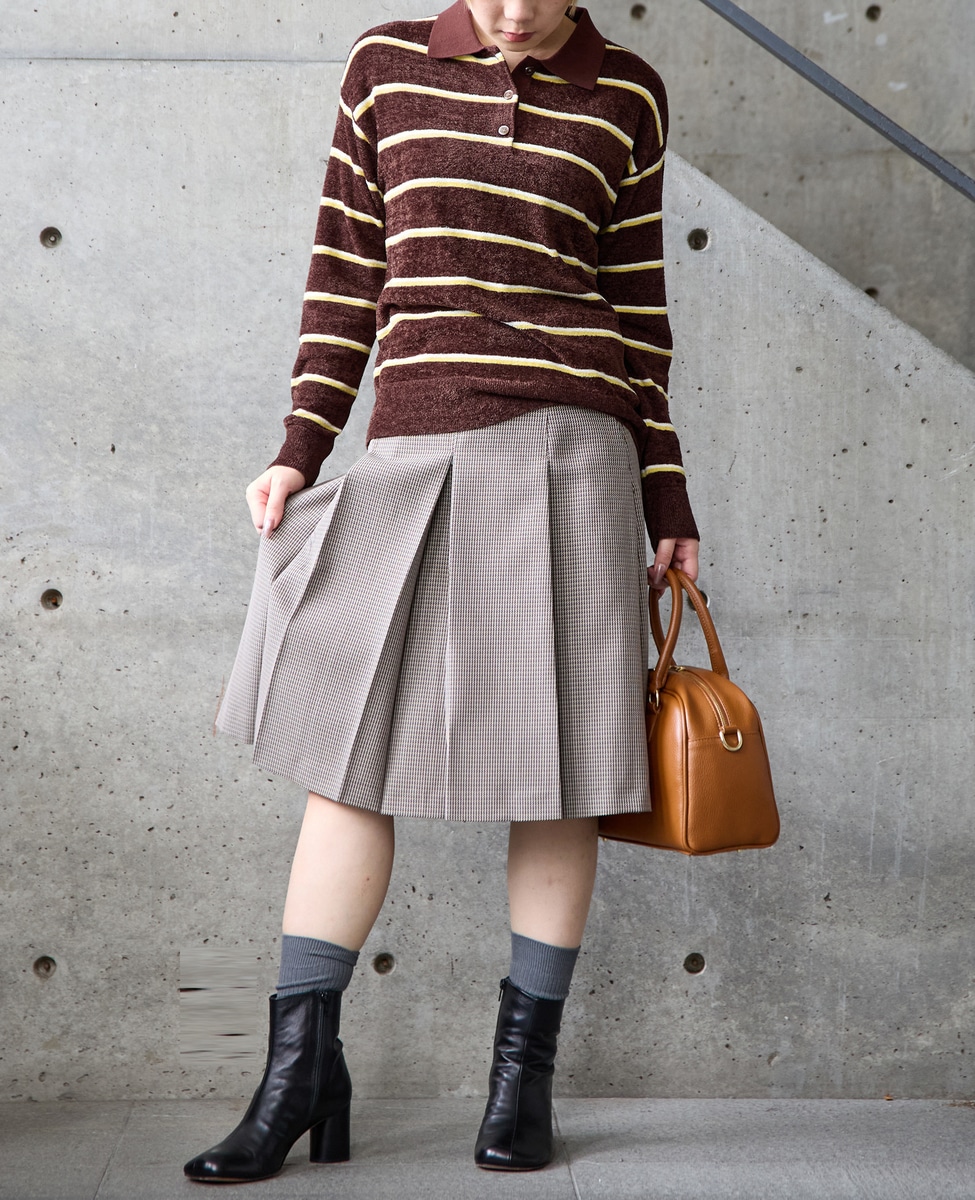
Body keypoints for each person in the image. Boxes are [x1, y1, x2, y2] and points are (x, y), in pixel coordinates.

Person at [183, 0, 700, 1183]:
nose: (513, 12)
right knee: (348, 759)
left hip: (573, 452)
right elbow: (345, 272)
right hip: (414, 443)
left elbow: (639, 316)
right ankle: (298, 1075)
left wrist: (668, 500)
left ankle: (522, 1085)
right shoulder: (386, 64)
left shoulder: (629, 91)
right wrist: (300, 447)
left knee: (561, 775)